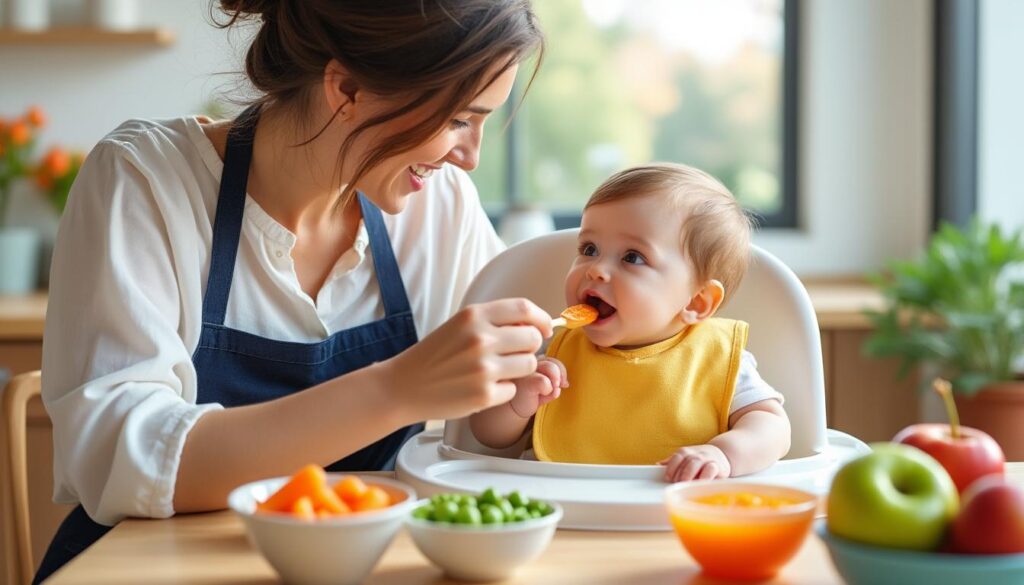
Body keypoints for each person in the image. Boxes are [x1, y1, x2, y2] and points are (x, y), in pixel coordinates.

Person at [35, 1, 546, 582]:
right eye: (458, 119)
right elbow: (124, 460)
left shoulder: (440, 207)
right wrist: (397, 389)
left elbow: (501, 420)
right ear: (347, 88)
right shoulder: (147, 181)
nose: (471, 157)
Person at [470, 163, 791, 482]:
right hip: (566, 509)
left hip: (673, 514)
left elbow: (774, 428)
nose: (596, 269)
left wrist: (723, 454)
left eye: (632, 257)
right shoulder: (557, 354)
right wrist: (518, 401)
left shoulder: (718, 360)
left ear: (696, 301)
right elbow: (489, 436)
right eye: (589, 249)